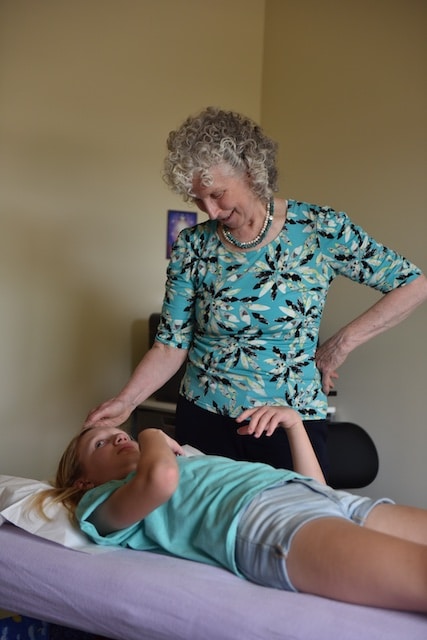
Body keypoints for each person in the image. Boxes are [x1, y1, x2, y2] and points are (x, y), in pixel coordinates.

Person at [84, 107, 427, 475]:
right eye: (197, 200)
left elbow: (412, 283)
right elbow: (170, 344)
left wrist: (339, 345)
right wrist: (126, 402)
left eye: (217, 194)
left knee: (293, 526)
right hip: (204, 418)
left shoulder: (319, 229)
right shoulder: (192, 246)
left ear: (251, 171)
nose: (210, 211)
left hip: (289, 423)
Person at [38, 406, 427, 612]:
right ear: (82, 481)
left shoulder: (186, 461)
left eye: (117, 432)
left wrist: (294, 425)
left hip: (318, 497)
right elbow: (159, 481)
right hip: (264, 522)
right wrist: (152, 432)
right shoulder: (100, 502)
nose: (118, 435)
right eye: (101, 444)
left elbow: (318, 487)